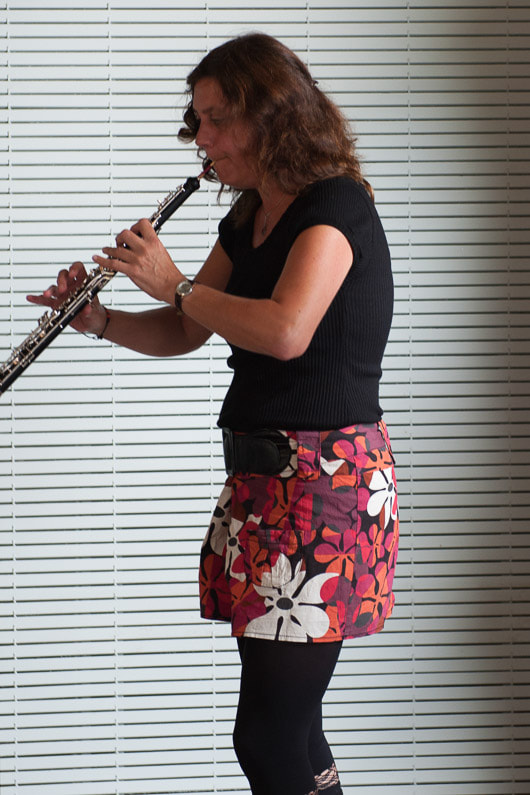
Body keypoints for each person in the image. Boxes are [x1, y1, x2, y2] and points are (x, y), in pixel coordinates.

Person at [28, 32, 399, 795]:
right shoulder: (250, 217)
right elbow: (188, 327)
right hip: (265, 487)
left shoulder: (336, 206)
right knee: (294, 730)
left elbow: (287, 329)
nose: (202, 138)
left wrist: (172, 282)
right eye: (197, 120)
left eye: (218, 118)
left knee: (267, 735)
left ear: (274, 115)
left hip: (327, 485)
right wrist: (98, 319)